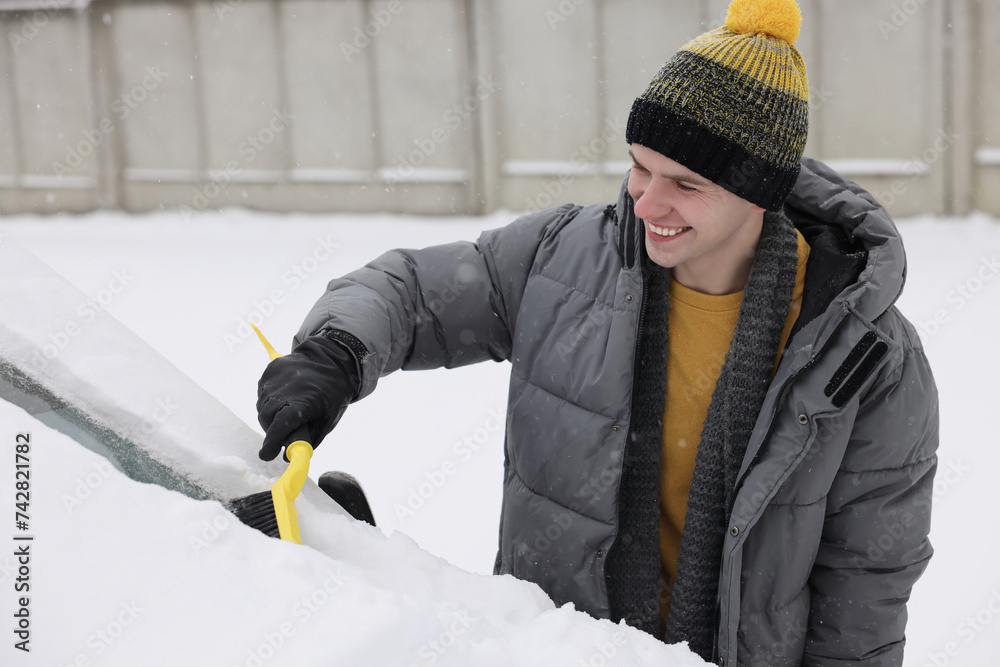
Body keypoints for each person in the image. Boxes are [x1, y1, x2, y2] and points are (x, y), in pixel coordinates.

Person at [254, 0, 939, 664]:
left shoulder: (865, 357)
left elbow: (865, 590)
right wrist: (335, 351)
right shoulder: (566, 256)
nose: (648, 200)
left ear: (759, 190)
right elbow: (413, 292)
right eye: (640, 165)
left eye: (685, 183)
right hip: (548, 650)